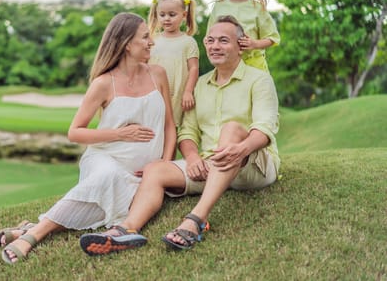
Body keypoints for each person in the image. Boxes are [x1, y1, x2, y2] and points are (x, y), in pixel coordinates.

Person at [80, 15, 280, 255]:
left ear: (241, 45)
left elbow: (265, 128)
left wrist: (241, 149)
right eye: (210, 40)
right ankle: (126, 230)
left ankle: (195, 221)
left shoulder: (259, 80)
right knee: (156, 169)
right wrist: (193, 158)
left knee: (232, 129)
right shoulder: (200, 85)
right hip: (208, 166)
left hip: (252, 166)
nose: (215, 46)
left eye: (224, 41)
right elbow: (188, 131)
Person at [0, 12, 176, 264]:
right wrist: (120, 133)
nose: (151, 42)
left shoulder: (158, 74)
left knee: (94, 207)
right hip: (105, 158)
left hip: (144, 174)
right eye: (145, 37)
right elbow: (75, 131)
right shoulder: (103, 83)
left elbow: (169, 125)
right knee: (107, 177)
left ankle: (25, 229)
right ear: (126, 44)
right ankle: (34, 235)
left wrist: (162, 165)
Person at [208, 0, 280, 72]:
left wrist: (254, 44)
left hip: (254, 68)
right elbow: (208, 37)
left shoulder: (257, 8)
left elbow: (273, 38)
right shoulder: (218, 7)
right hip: (227, 69)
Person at [148, 0, 199, 129]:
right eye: (162, 15)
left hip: (176, 95)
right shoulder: (152, 40)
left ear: (184, 15)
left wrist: (188, 91)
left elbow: (193, 68)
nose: (167, 19)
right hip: (153, 92)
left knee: (171, 129)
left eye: (172, 14)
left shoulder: (188, 41)